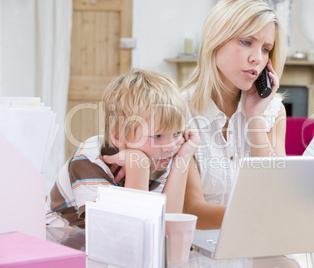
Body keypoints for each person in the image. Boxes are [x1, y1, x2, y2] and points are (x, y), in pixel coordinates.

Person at [46, 68, 200, 228]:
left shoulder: (162, 157)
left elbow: (166, 228)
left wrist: (183, 158)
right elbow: (130, 232)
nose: (170, 147)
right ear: (119, 136)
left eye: (177, 133)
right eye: (157, 136)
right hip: (59, 245)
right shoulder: (90, 159)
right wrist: (138, 166)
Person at [181, 0, 287, 229]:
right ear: (215, 40)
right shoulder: (179, 111)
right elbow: (191, 210)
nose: (257, 58)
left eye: (266, 49)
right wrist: (260, 217)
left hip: (258, 245)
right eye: (247, 42)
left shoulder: (273, 111)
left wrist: (255, 118)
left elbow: (276, 193)